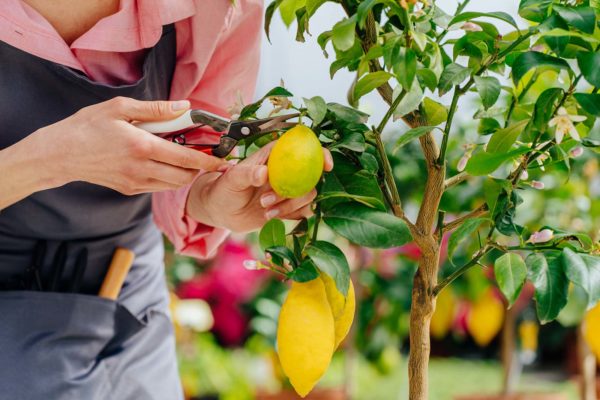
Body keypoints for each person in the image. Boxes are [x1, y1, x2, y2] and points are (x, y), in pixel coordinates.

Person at [0, 1, 333, 398]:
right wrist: (54, 157)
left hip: (126, 288)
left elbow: (197, 143)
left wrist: (212, 199)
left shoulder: (218, 7)